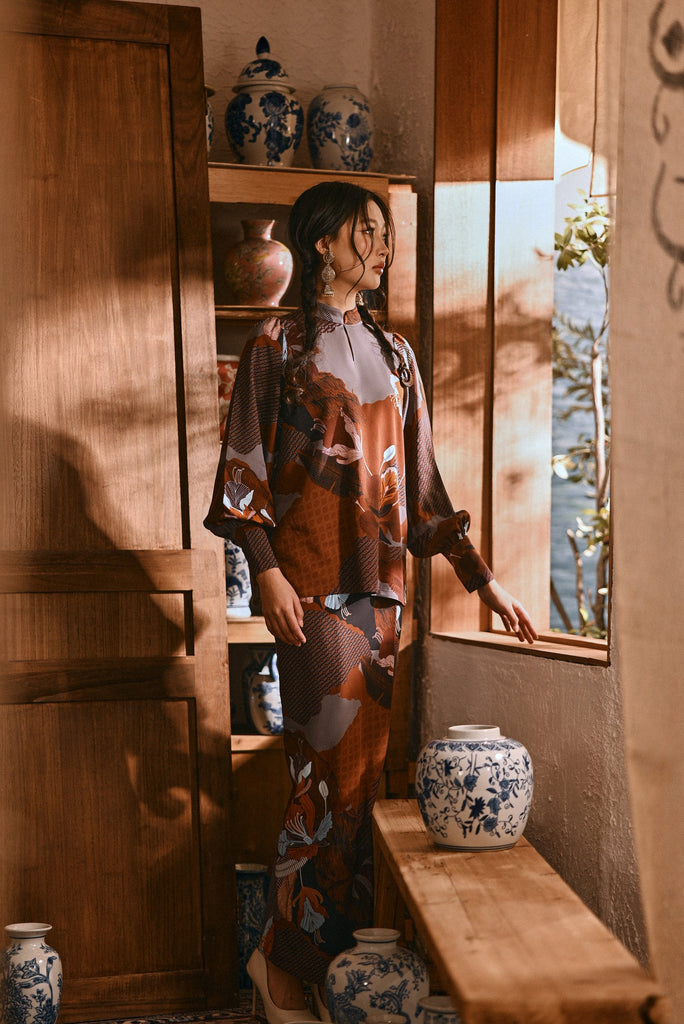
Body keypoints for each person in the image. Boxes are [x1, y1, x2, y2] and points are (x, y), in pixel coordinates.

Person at [204, 181, 537, 1024]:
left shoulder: (398, 354)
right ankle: (282, 967)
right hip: (311, 591)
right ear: (322, 242)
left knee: (355, 794)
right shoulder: (276, 344)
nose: (382, 247)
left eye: (386, 234)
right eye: (367, 232)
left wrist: (483, 578)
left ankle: (299, 963)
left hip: (384, 596)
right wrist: (267, 571)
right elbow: (243, 468)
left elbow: (422, 490)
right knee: (321, 782)